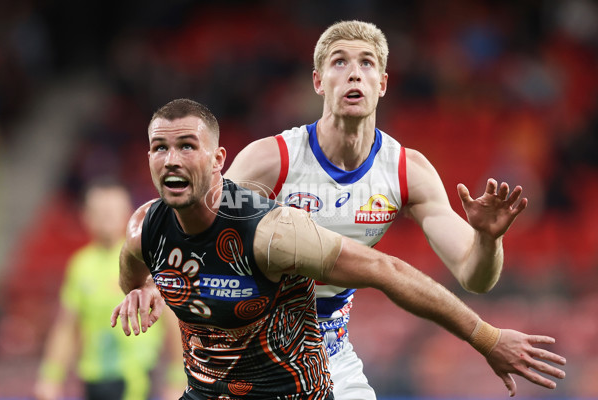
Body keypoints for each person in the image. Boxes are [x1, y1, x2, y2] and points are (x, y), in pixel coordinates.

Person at [110, 98, 565, 400]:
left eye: (187, 147)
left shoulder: (272, 232)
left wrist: (484, 337)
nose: (171, 159)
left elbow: (386, 269)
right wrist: (144, 287)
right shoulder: (143, 230)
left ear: (217, 160)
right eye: (159, 148)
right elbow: (133, 270)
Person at [223, 20, 529, 399]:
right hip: (249, 348)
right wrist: (151, 284)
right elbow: (201, 241)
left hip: (329, 351)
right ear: (319, 82)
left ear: (382, 84)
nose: (354, 73)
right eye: (340, 62)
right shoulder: (270, 160)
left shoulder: (406, 172)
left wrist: (487, 239)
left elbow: (475, 277)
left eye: (367, 63)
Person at [34, 179, 183, 400]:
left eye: (112, 211)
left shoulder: (145, 259)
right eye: (99, 211)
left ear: (128, 213)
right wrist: (51, 376)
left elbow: (173, 321)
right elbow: (68, 326)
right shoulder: (80, 265)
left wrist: (178, 378)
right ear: (86, 216)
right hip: (93, 380)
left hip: (136, 378)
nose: (106, 217)